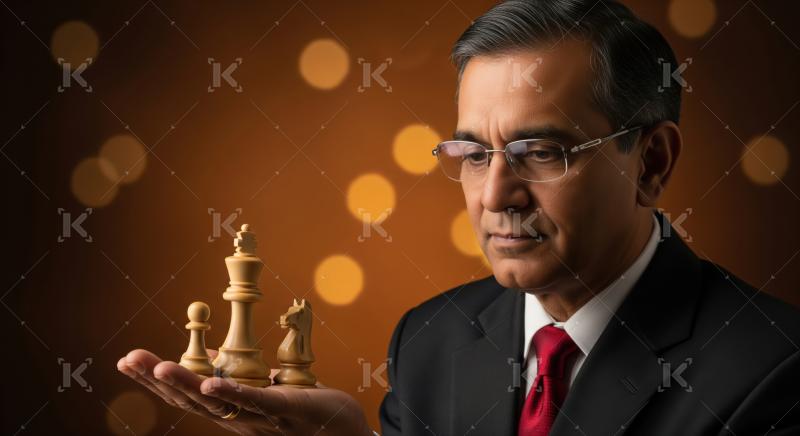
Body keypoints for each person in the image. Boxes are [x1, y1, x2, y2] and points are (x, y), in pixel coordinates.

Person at [118, 1, 800, 435]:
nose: (495, 194)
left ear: (651, 162)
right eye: (473, 153)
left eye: (539, 151)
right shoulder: (429, 341)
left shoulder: (773, 373)